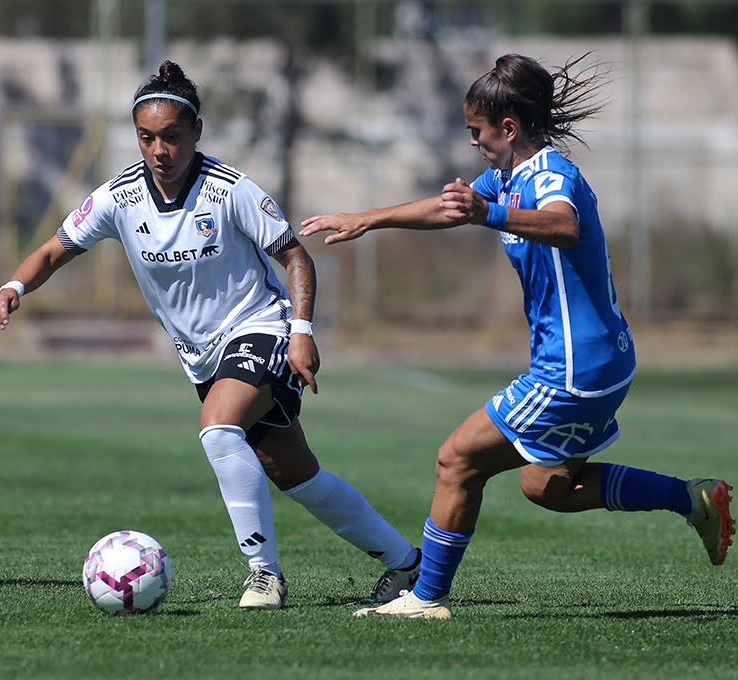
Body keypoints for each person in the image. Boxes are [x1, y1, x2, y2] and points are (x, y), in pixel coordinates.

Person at [300, 53, 734, 619]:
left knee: (456, 460)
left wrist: (488, 214)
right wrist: (368, 218)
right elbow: (449, 208)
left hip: (572, 370)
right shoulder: (504, 178)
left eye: (476, 132)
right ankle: (693, 499)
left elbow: (563, 224)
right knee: (548, 487)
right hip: (602, 363)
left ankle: (426, 598)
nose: (473, 142)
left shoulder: (552, 175)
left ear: (508, 128)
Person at [0, 60, 421, 609]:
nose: (159, 150)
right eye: (147, 138)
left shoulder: (230, 189)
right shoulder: (119, 198)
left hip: (261, 327)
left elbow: (294, 256)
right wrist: (12, 289)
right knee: (296, 475)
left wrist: (302, 330)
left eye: (171, 136)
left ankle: (264, 575)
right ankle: (406, 561)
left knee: (217, 427)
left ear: (196, 133)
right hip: (203, 357)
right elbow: (54, 249)